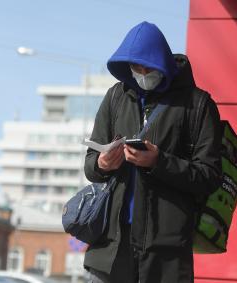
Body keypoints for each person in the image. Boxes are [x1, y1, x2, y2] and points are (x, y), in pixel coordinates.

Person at [83, 21, 222, 283]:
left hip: (166, 255)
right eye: (136, 68)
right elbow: (90, 166)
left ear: (163, 64)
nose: (142, 73)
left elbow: (209, 176)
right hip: (111, 248)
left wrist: (159, 162)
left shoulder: (198, 104)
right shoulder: (116, 97)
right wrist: (103, 163)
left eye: (148, 67)